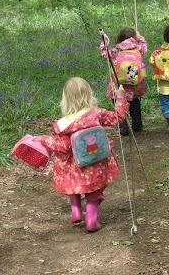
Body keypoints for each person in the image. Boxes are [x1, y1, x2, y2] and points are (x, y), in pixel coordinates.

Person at [39, 77, 129, 232]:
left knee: (72, 178)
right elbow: (118, 117)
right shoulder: (96, 113)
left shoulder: (64, 124)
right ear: (89, 94)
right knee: (95, 190)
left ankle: (75, 211)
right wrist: (120, 98)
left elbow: (62, 146)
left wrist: (44, 139)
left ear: (65, 100)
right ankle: (91, 221)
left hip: (76, 167)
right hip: (97, 163)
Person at [99, 27, 148, 136]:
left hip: (118, 87)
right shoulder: (138, 49)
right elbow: (145, 46)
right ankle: (137, 124)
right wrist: (140, 37)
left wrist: (104, 41)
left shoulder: (116, 51)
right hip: (134, 87)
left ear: (119, 39)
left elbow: (104, 53)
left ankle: (123, 127)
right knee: (135, 105)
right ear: (134, 38)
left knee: (119, 104)